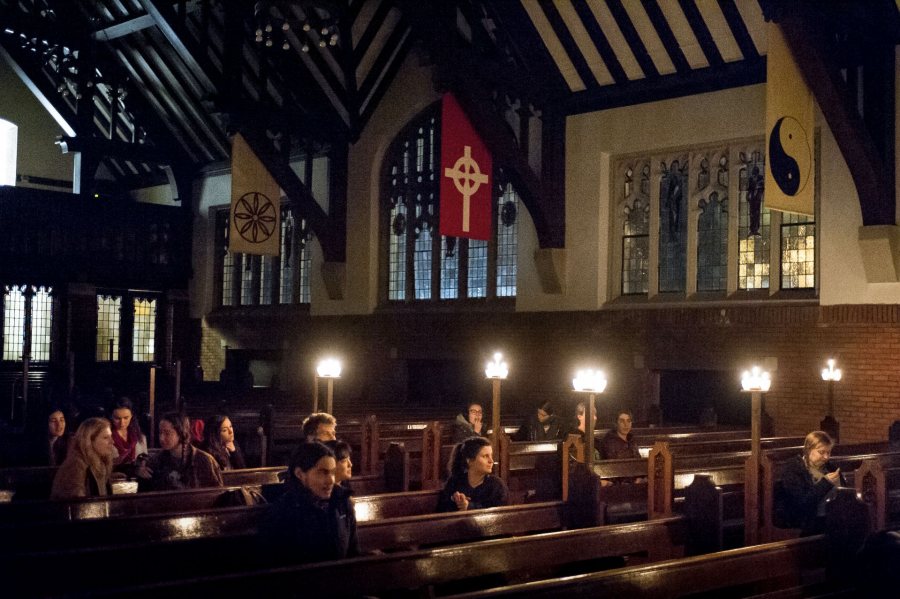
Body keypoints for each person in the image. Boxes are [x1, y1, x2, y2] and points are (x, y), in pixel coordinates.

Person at [259, 441, 359, 564]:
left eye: (333, 472)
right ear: (300, 474)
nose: (331, 480)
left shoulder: (342, 502)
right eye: (323, 472)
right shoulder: (282, 512)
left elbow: (353, 553)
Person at [777, 430, 845, 535]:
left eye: (829, 452)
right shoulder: (794, 468)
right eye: (821, 452)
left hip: (832, 519)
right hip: (806, 523)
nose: (826, 457)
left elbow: (844, 495)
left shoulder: (831, 467)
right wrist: (825, 483)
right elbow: (802, 502)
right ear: (808, 450)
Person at [137, 412, 223, 491]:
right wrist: (139, 473)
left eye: (167, 433)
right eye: (160, 433)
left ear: (181, 433)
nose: (161, 438)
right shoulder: (156, 461)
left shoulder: (204, 460)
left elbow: (217, 492)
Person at [437, 436, 508, 512]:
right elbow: (441, 511)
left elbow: (499, 515)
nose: (491, 461)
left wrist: (469, 506)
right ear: (469, 460)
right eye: (485, 456)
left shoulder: (497, 485)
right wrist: (454, 500)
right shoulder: (454, 481)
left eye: (491, 456)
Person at [50, 417, 115, 499]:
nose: (112, 442)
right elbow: (76, 504)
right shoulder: (75, 465)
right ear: (89, 440)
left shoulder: (100, 461)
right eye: (106, 438)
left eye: (111, 436)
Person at [109, 397, 148, 476]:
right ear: (111, 416)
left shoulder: (140, 437)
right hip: (115, 479)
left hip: (137, 478)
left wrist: (142, 466)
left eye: (126, 418)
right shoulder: (106, 437)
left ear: (131, 416)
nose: (122, 423)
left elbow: (144, 457)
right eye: (117, 418)